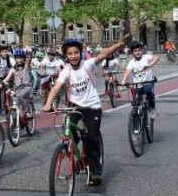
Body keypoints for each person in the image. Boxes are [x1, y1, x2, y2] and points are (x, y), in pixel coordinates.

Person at [43, 35, 130, 186]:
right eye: (70, 54)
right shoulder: (66, 71)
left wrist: (120, 44)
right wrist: (48, 103)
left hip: (92, 106)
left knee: (92, 138)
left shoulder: (88, 65)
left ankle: (95, 171)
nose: (73, 56)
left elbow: (103, 54)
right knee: (67, 128)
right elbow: (56, 87)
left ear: (80, 53)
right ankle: (73, 149)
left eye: (76, 52)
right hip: (74, 106)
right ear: (66, 56)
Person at [120, 41, 160, 118]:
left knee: (148, 90)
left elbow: (156, 57)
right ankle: (135, 123)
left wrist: (149, 65)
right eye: (135, 51)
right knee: (136, 104)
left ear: (142, 50)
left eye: (139, 50)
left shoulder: (146, 57)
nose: (137, 52)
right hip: (137, 85)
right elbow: (127, 71)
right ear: (132, 53)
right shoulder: (132, 62)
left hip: (147, 82)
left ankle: (152, 108)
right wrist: (124, 80)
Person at [2, 46, 33, 118]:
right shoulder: (13, 69)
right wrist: (2, 83)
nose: (20, 60)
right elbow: (6, 78)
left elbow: (29, 59)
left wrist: (30, 53)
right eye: (18, 58)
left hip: (27, 87)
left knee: (19, 96)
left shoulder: (26, 66)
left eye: (21, 58)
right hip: (17, 88)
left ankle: (28, 110)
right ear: (15, 59)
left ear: (24, 58)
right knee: (12, 98)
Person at [0, 44, 15, 116]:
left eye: (6, 51)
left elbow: (14, 66)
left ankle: (7, 102)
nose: (5, 53)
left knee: (9, 89)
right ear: (0, 53)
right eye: (3, 52)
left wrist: (7, 78)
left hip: (6, 76)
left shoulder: (9, 58)